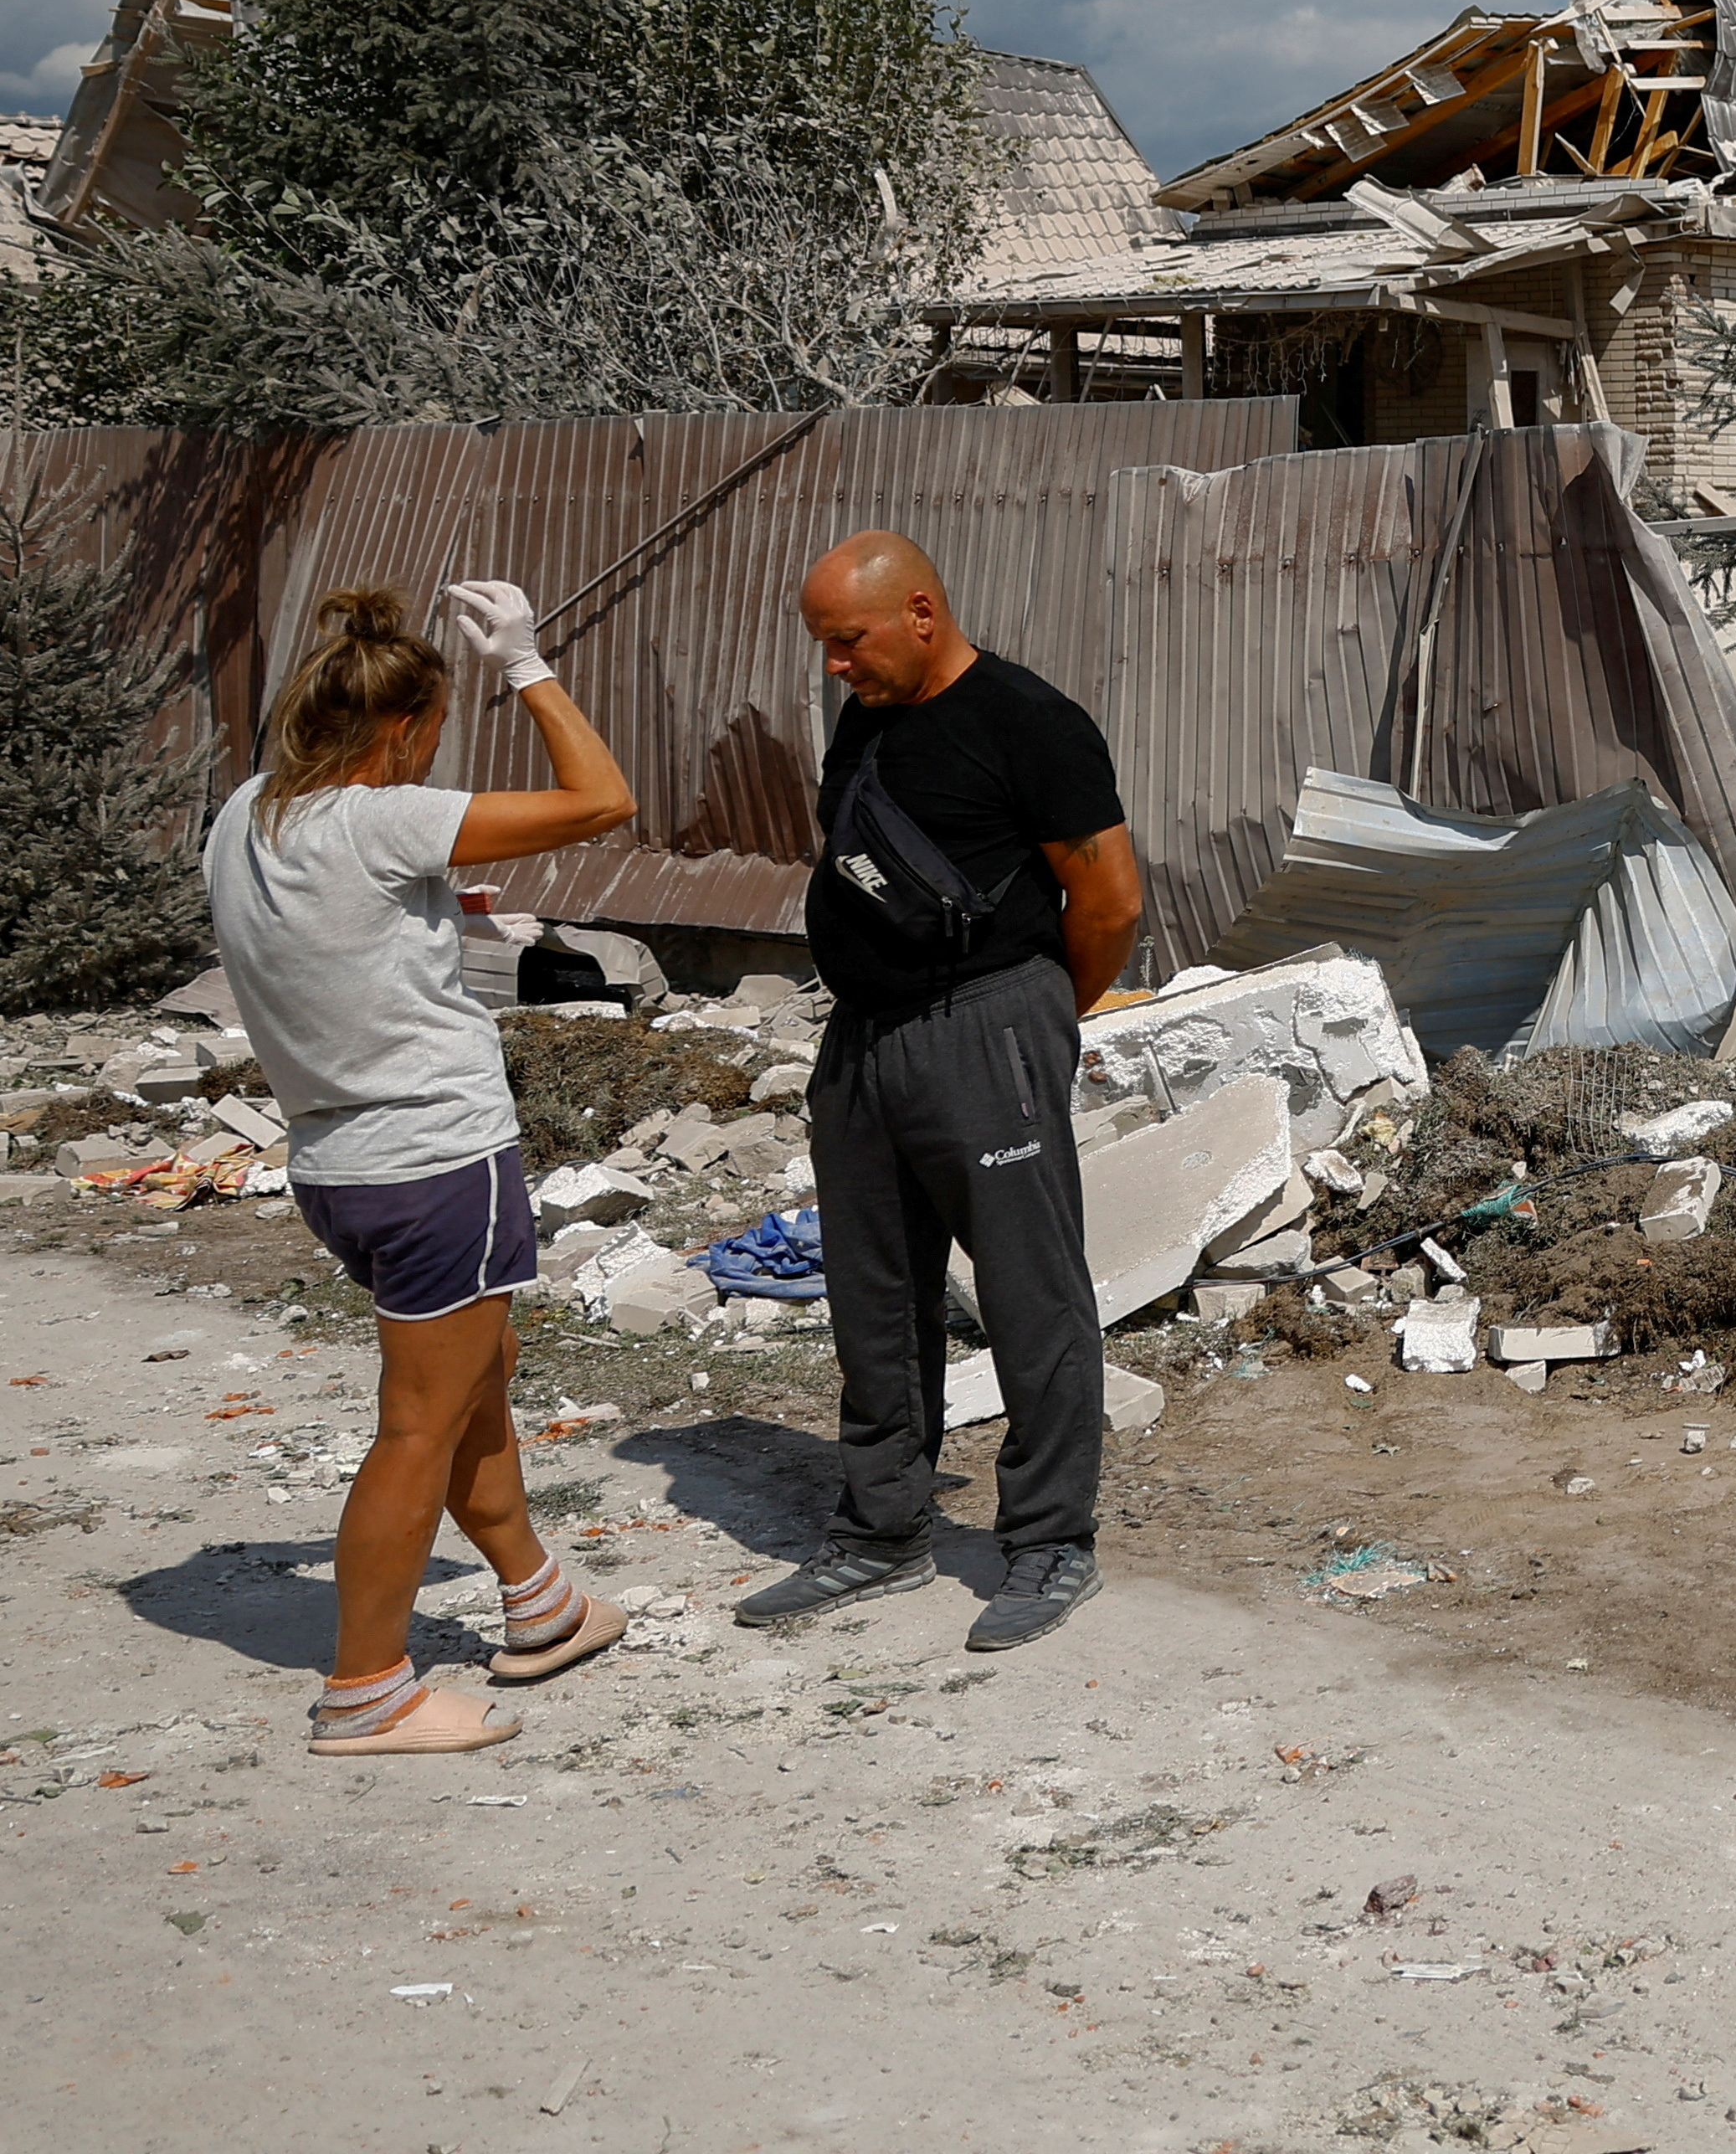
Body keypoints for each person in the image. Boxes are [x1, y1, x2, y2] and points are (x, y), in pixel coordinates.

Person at [203, 581, 642, 1757]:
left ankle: (539, 1603)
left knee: (477, 1374)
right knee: (419, 1423)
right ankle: (367, 1691)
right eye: (435, 733)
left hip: (338, 1167)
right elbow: (602, 800)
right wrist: (528, 667)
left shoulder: (242, 815)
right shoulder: (381, 821)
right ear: (403, 731)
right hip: (439, 1159)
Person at [736, 531, 1143, 1653]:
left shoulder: (1030, 721)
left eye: (848, 641)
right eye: (824, 646)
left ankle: (1050, 1540)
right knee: (873, 1293)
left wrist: (1038, 1020)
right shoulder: (869, 716)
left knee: (1029, 1291)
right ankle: (882, 1532)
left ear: (921, 611)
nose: (834, 667)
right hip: (863, 1044)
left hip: (986, 1031)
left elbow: (1107, 900)